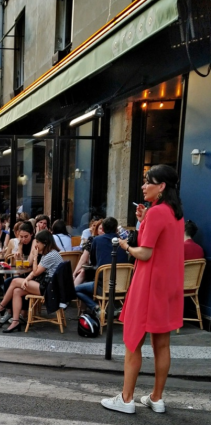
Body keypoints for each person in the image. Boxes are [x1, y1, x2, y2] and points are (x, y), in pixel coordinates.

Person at [101, 165, 184, 415]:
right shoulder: (174, 213)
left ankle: (127, 399)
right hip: (168, 283)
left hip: (148, 283)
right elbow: (158, 243)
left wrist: (126, 245)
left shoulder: (157, 212)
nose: (143, 186)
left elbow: (145, 253)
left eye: (149, 181)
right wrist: (142, 220)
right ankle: (156, 398)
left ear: (162, 187)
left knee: (133, 341)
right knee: (162, 343)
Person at [0, 230, 63, 332]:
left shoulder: (50, 255)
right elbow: (34, 272)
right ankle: (15, 321)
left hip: (50, 288)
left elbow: (35, 272)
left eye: (38, 242)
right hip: (48, 285)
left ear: (45, 243)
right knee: (16, 291)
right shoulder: (49, 253)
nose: (36, 244)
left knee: (14, 282)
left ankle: (2, 306)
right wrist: (26, 279)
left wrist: (35, 256)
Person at [75, 217, 128, 316]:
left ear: (102, 229)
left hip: (102, 286)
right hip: (123, 286)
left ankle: (97, 308)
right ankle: (112, 308)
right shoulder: (124, 242)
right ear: (116, 229)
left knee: (75, 289)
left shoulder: (97, 240)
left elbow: (94, 261)